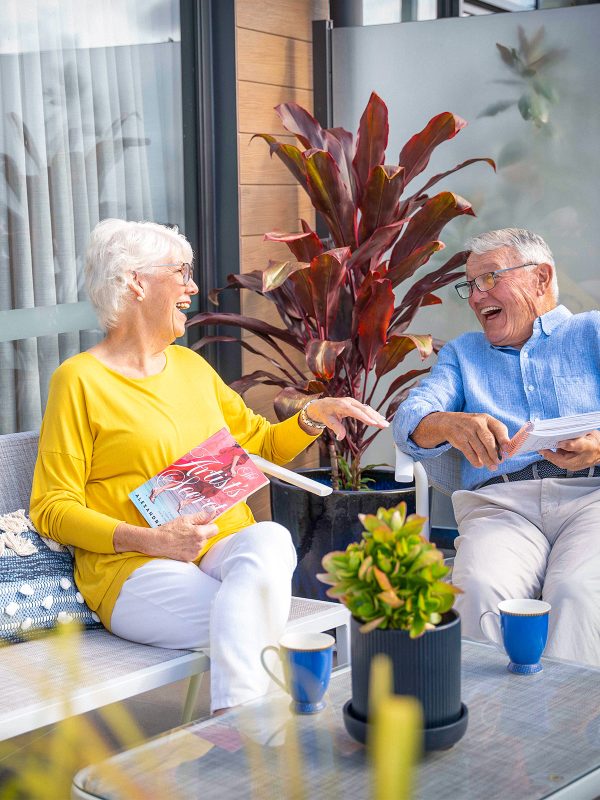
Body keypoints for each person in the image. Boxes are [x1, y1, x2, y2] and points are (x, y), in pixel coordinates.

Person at [30, 219, 389, 712]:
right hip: (135, 569)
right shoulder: (79, 381)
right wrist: (153, 540)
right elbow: (52, 508)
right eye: (181, 272)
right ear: (136, 282)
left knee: (271, 540)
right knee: (251, 612)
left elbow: (261, 443)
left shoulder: (192, 368)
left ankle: (236, 726)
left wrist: (312, 416)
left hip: (222, 551)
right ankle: (249, 729)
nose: (193, 287)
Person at [393, 228, 600, 666]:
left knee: (578, 591)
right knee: (481, 588)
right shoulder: (464, 354)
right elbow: (408, 421)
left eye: (489, 278)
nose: (474, 297)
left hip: (592, 499)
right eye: (470, 285)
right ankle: (490, 727)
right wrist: (448, 422)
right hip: (501, 505)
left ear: (540, 279)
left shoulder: (591, 333)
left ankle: (571, 727)